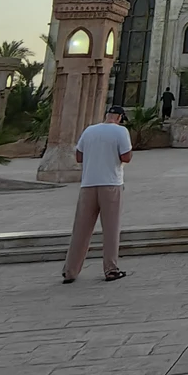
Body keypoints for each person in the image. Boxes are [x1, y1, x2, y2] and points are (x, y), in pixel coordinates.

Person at [62, 104, 132, 283]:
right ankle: (111, 269)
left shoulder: (89, 130)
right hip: (111, 183)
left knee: (81, 229)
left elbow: (79, 157)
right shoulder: (121, 132)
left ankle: (70, 270)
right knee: (111, 229)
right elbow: (126, 157)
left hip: (88, 184)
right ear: (119, 118)